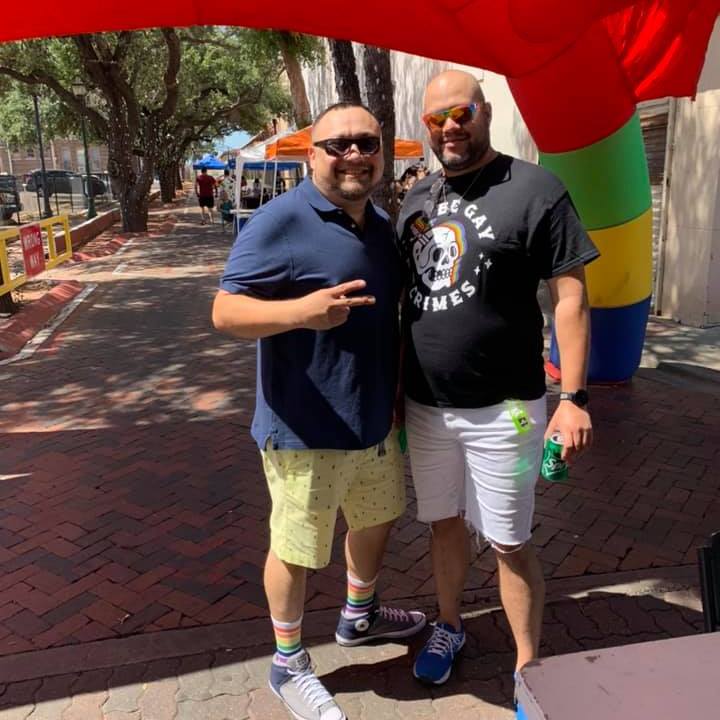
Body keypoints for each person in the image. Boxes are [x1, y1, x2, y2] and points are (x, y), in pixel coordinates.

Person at [212, 101, 426, 720]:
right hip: (304, 427)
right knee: (298, 548)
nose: (354, 154)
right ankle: (287, 662)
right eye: (338, 145)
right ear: (312, 154)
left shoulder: (381, 225)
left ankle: (359, 617)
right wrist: (300, 313)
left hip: (373, 422)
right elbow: (225, 312)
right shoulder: (279, 220)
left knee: (377, 519)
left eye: (367, 143)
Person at [396, 70, 598, 686]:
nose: (449, 127)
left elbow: (571, 298)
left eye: (461, 113)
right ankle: (449, 625)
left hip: (506, 411)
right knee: (443, 524)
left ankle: (527, 668)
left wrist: (574, 398)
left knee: (509, 541)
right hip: (427, 407)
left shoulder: (536, 190)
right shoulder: (417, 198)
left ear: (484, 112)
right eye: (436, 119)